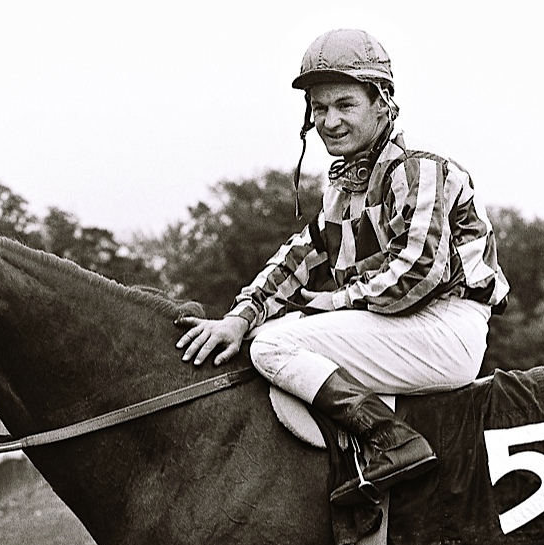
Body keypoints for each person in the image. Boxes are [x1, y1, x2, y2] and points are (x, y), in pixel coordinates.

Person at [175, 28, 509, 506]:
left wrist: (334, 301)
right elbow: (298, 257)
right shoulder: (342, 192)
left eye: (344, 104)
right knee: (268, 339)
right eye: (319, 108)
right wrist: (238, 316)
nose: (328, 121)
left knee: (273, 345)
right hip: (401, 327)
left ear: (382, 102)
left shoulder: (420, 169)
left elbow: (420, 269)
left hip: (445, 328)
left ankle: (392, 440)